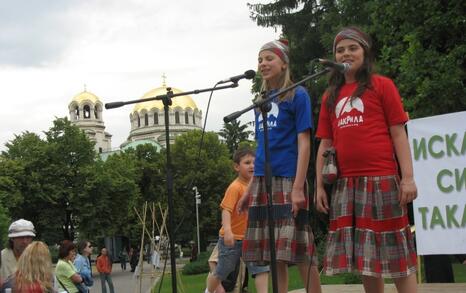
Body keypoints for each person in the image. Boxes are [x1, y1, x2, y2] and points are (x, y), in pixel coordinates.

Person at [315, 26, 418, 293]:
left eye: (353, 48)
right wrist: (318, 186)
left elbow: (398, 133)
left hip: (382, 179)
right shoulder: (330, 96)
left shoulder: (382, 85)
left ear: (365, 52)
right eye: (340, 50)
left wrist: (407, 178)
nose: (346, 53)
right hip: (346, 185)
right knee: (366, 259)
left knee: (396, 256)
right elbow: (325, 143)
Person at [238, 39, 322, 293]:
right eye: (260, 59)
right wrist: (249, 189)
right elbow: (261, 150)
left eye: (269, 58)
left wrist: (298, 187)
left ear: (284, 63)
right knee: (273, 251)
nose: (263, 64)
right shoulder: (260, 100)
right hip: (264, 180)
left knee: (300, 245)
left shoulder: (298, 95)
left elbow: (304, 142)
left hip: (289, 177)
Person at [205, 148, 269, 293]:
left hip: (252, 237)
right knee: (222, 271)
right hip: (233, 239)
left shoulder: (258, 186)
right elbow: (226, 210)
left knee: (261, 268)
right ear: (236, 167)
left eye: (254, 162)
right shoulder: (235, 187)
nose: (252, 166)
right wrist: (227, 231)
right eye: (247, 163)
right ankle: (209, 291)